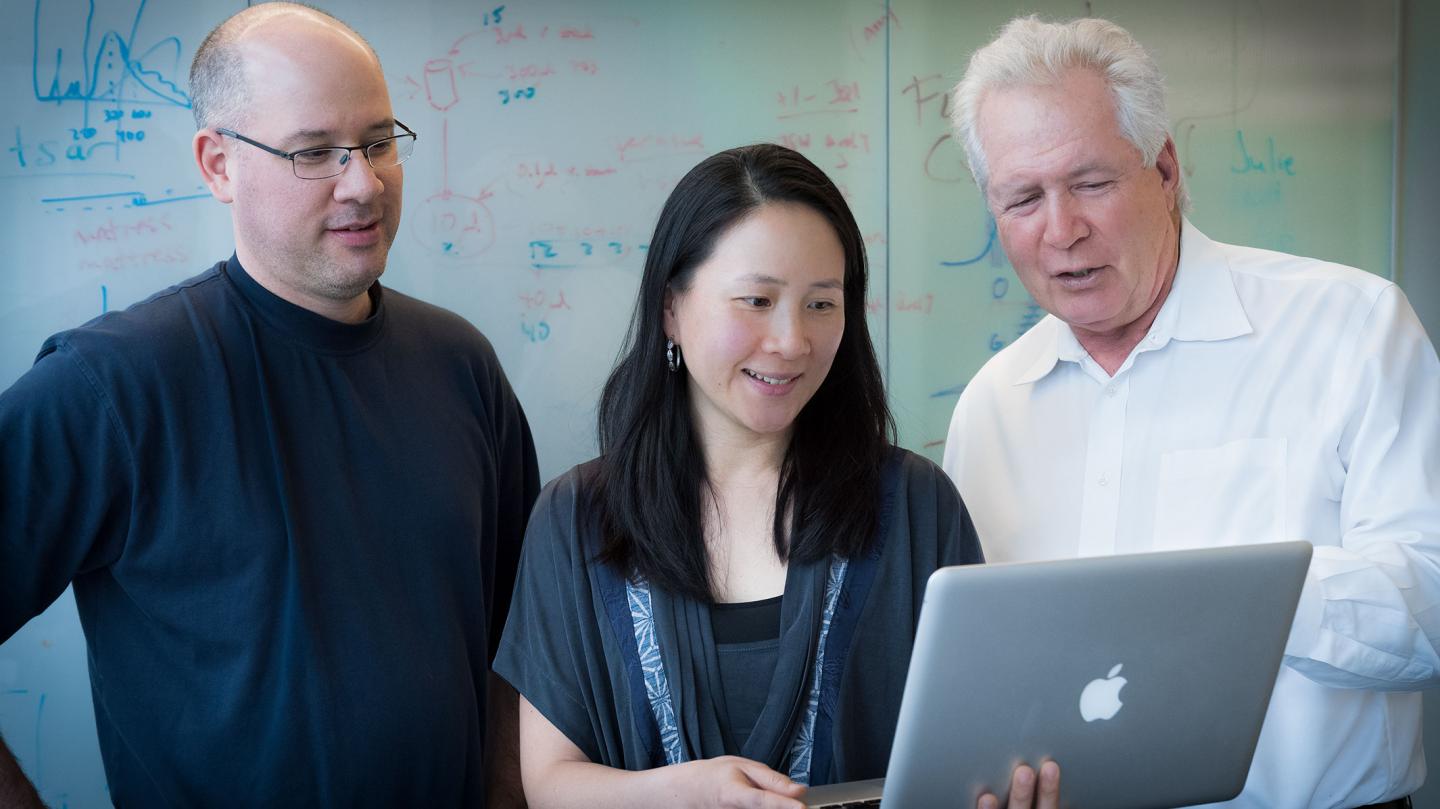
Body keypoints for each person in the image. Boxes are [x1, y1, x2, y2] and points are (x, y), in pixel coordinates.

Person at [0, 4, 539, 806]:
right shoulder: (110, 384)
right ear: (218, 164)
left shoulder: (461, 363)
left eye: (380, 141)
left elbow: (521, 642)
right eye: (314, 151)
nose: (363, 182)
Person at [941, 16, 1440, 809]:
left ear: (1166, 169)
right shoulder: (991, 406)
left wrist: (1241, 597)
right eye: (1023, 198)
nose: (1061, 230)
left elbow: (1432, 608)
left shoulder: (1351, 327)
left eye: (1092, 183)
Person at [492, 143, 1060, 809]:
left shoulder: (915, 504)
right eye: (757, 300)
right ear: (671, 307)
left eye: (822, 304)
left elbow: (980, 746)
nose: (792, 340)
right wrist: (685, 794)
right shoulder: (576, 519)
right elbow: (551, 782)